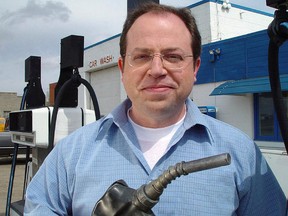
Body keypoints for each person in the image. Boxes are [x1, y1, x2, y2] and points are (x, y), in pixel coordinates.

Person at [24, 3, 287, 215]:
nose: (158, 70)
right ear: (122, 68)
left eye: (173, 56)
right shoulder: (73, 152)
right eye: (141, 56)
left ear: (195, 68)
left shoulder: (240, 152)